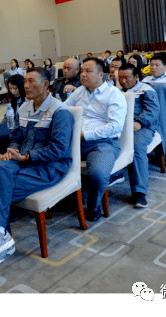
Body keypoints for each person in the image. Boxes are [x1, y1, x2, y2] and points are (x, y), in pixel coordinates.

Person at [0, 68, 74, 268]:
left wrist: (27, 156)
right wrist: (12, 151)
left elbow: (59, 149)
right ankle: (1, 235)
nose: (26, 86)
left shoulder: (60, 111)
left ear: (45, 85)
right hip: (23, 161)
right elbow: (16, 137)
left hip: (49, 166)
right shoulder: (24, 108)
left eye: (31, 81)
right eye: (25, 81)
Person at [65, 58, 127, 220]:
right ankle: (62, 199)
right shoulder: (79, 91)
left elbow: (115, 126)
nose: (83, 75)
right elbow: (64, 110)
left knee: (98, 175)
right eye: (82, 71)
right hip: (74, 141)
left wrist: (84, 135)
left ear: (101, 74)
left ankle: (94, 205)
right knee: (47, 159)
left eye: (88, 71)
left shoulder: (114, 94)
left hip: (102, 143)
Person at [117, 64, 160, 208]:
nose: (123, 81)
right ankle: (113, 175)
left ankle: (139, 191)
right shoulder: (115, 91)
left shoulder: (146, 90)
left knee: (136, 147)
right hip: (119, 126)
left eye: (126, 77)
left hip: (142, 126)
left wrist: (140, 122)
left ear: (136, 76)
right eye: (120, 77)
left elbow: (153, 111)